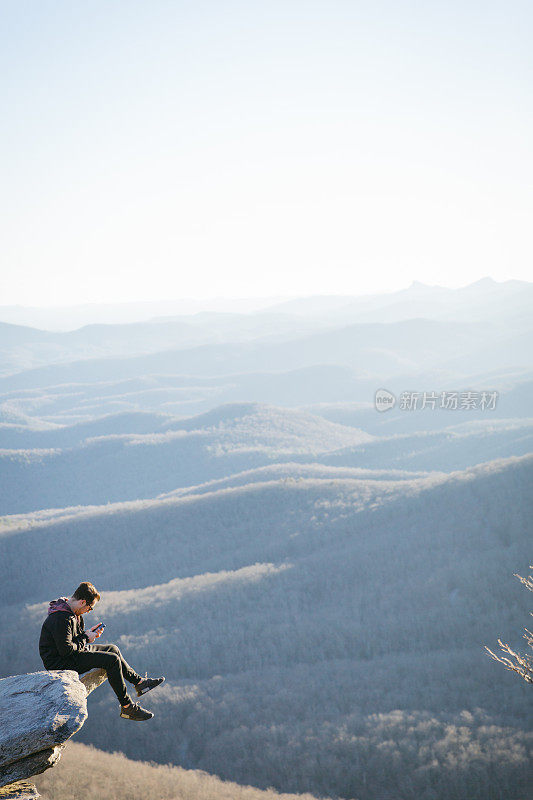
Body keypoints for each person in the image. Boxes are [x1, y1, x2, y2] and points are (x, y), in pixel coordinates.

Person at [39, 581, 165, 721]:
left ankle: (140, 683)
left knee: (113, 649)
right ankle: (127, 707)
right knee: (112, 660)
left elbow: (73, 640)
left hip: (72, 653)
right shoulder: (61, 618)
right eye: (90, 608)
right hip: (60, 663)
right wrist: (86, 638)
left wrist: (88, 634)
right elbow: (66, 650)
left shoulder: (72, 613)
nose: (89, 611)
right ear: (82, 602)